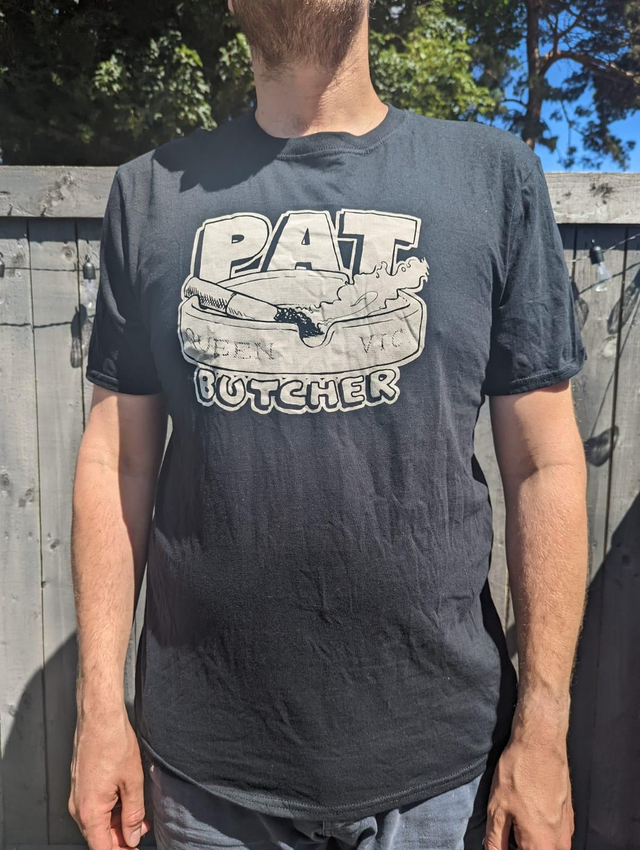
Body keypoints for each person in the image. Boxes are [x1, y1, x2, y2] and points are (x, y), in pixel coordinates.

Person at [68, 1, 589, 849]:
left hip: (442, 771)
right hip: (207, 774)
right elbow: (115, 463)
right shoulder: (149, 194)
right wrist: (98, 710)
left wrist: (546, 728)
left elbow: (545, 464)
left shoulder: (492, 177)